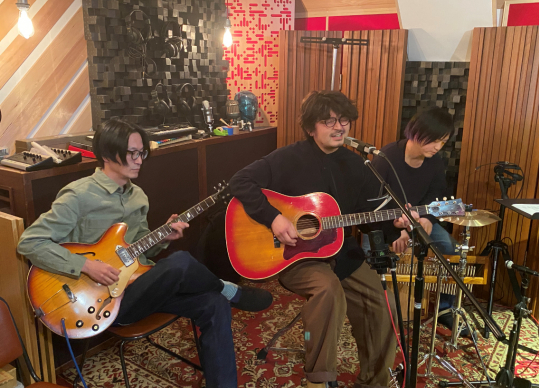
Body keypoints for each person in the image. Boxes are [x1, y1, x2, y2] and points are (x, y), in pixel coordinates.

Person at [17, 118, 273, 388]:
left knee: (213, 304)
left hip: (141, 287)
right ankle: (229, 289)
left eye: (142, 153)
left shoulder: (138, 196)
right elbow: (30, 242)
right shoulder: (78, 196)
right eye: (132, 153)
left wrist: (163, 237)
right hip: (106, 303)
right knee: (181, 262)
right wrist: (87, 266)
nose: (139, 160)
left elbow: (138, 250)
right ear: (107, 154)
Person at [229, 91, 402, 388]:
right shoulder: (288, 158)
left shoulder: (358, 165)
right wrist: (274, 218)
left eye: (344, 120)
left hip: (342, 253)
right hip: (295, 256)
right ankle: (319, 380)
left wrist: (397, 227)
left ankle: (374, 381)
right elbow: (239, 181)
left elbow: (369, 215)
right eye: (328, 121)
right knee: (327, 290)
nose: (339, 127)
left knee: (385, 302)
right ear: (311, 127)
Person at [361, 106, 464, 333]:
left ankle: (446, 309)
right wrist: (395, 231)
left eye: (443, 142)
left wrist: (428, 219)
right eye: (434, 140)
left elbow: (437, 195)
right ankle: (374, 311)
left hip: (416, 220)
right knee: (371, 259)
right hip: (384, 222)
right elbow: (370, 205)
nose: (437, 147)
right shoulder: (386, 158)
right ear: (416, 132)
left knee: (452, 250)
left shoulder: (435, 162)